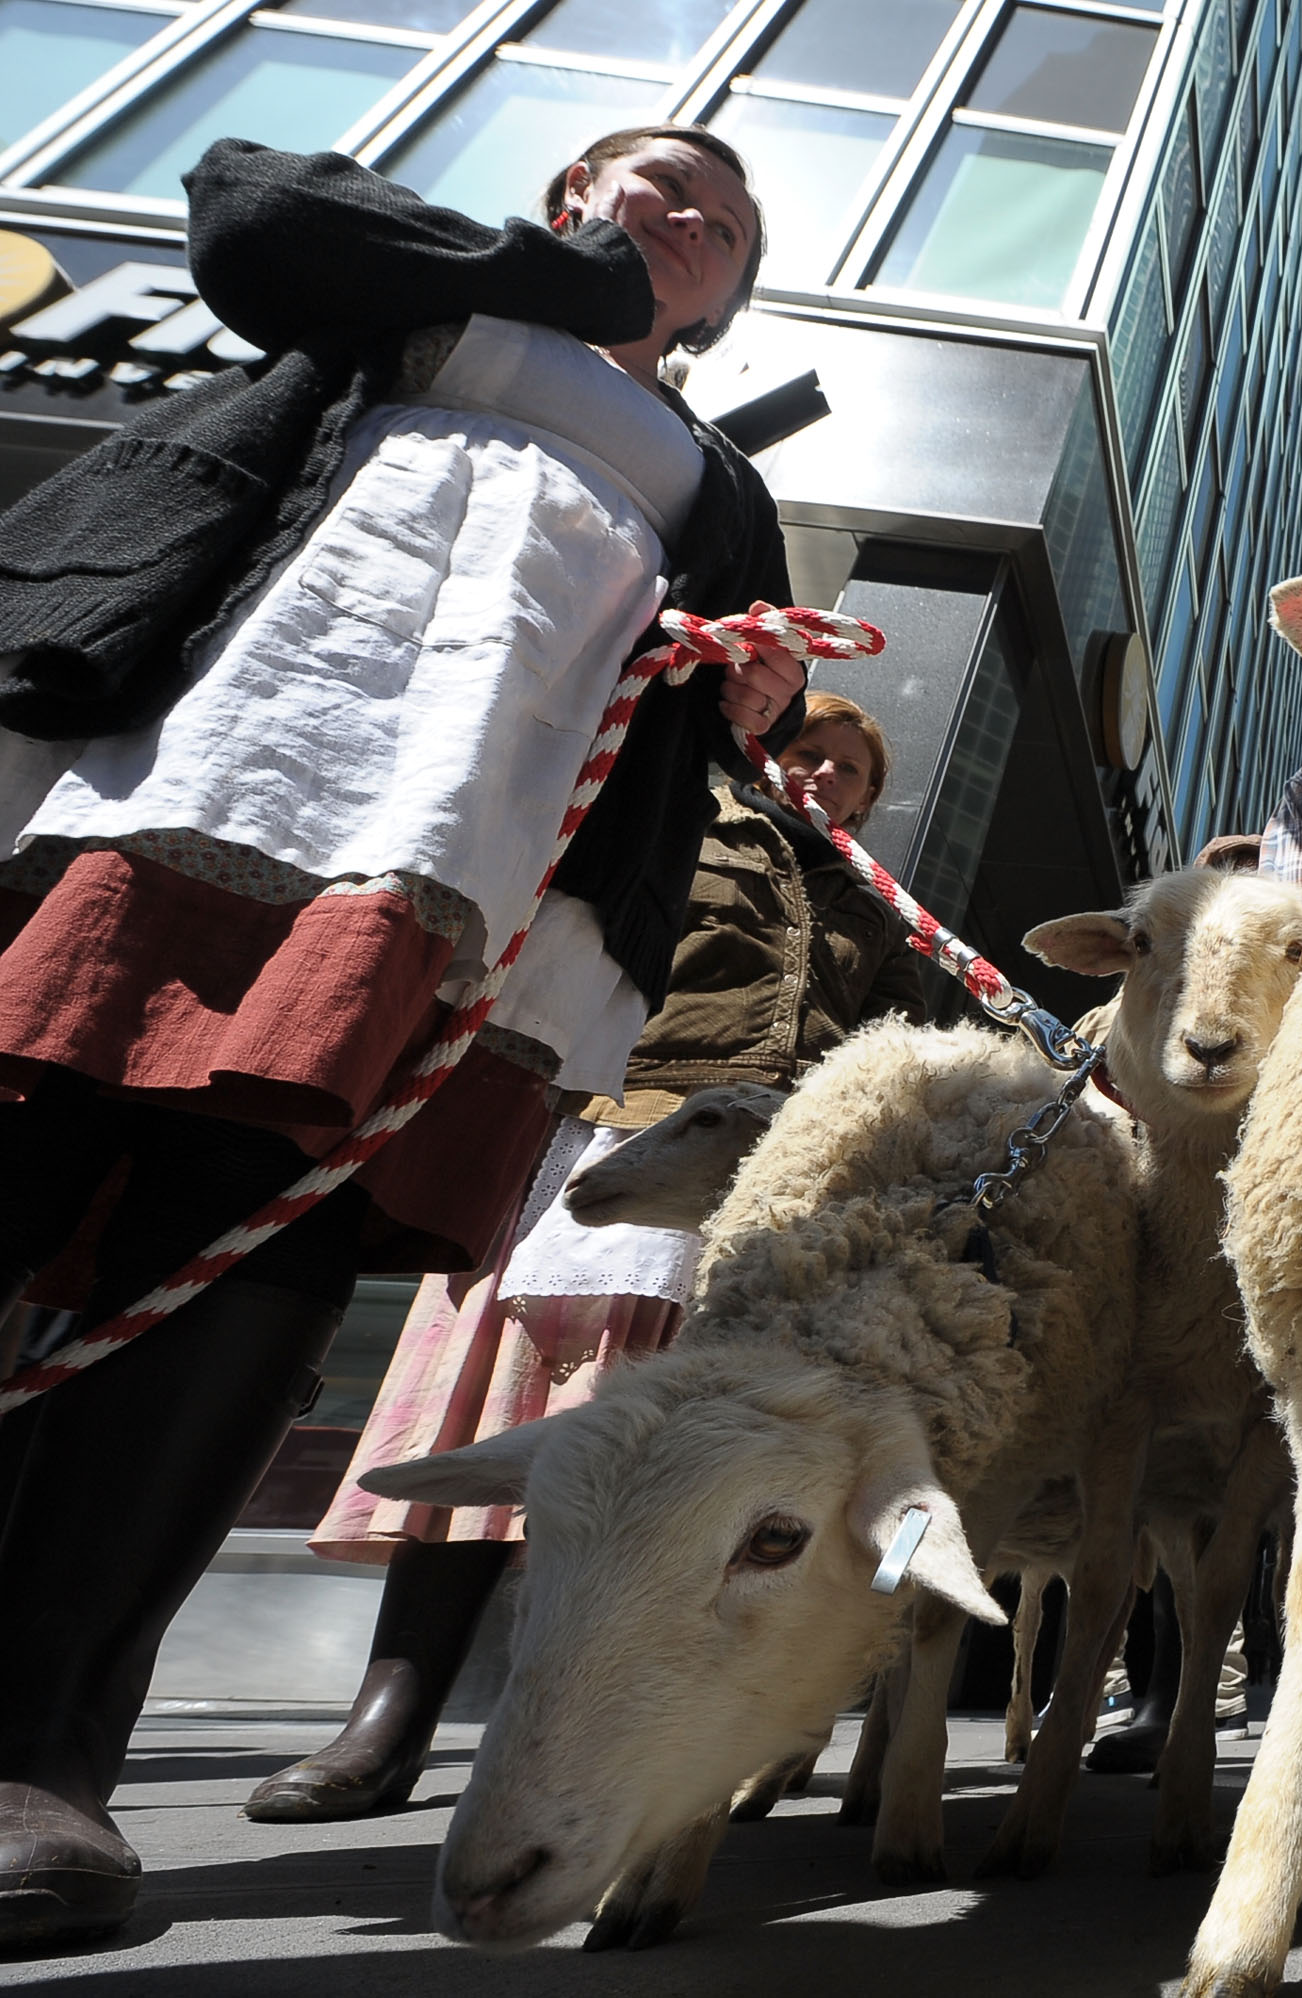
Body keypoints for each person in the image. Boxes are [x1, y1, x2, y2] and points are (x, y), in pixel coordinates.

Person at [0, 125, 809, 1950]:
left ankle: (43, 1744)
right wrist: (585, 281)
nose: (681, 216)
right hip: (208, 775)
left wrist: (750, 688)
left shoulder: (713, 475)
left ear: (734, 295)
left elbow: (722, 684)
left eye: (720, 222)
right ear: (569, 205)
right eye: (651, 186)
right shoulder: (419, 294)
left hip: (475, 889)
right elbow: (250, 207)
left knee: (242, 1258)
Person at [243, 695, 928, 1822]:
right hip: (632, 1133)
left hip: (781, 1192)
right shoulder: (692, 812)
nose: (826, 778)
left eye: (852, 772)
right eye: (809, 752)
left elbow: (892, 1046)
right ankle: (391, 1723)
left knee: (693, 1487)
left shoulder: (875, 906)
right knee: (500, 1424)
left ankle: (627, 1742)